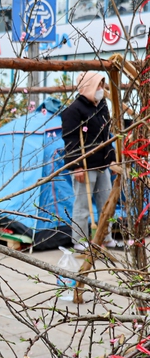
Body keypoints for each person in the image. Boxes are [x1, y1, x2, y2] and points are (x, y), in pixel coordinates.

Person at [61, 71, 117, 250]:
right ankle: (79, 241)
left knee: (106, 203)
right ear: (89, 85)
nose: (101, 89)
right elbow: (71, 140)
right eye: (98, 85)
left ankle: (105, 238)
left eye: (102, 85)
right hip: (84, 166)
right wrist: (76, 165)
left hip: (102, 164)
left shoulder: (101, 107)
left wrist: (112, 159)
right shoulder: (74, 110)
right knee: (82, 205)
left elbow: (106, 136)